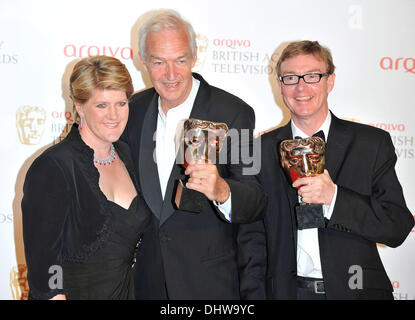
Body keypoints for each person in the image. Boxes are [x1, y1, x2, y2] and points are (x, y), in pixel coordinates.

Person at [121, 10, 266, 299]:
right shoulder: (132, 110)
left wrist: (223, 190)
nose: (170, 74)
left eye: (180, 60)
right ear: (142, 60)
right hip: (146, 284)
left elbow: (256, 199)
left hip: (209, 285)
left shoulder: (233, 113)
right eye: (159, 62)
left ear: (195, 56)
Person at [258, 40, 414, 300]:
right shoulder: (260, 150)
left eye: (312, 76)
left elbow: (397, 226)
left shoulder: (371, 143)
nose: (301, 87)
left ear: (330, 81)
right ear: (279, 84)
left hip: (357, 292)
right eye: (290, 77)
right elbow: (251, 237)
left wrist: (335, 198)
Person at [21, 56, 151, 300]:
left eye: (121, 103)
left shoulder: (129, 156)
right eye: (101, 105)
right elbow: (46, 270)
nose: (114, 114)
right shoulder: (53, 167)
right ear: (80, 107)